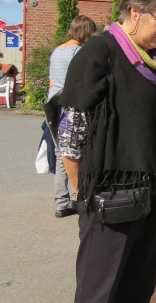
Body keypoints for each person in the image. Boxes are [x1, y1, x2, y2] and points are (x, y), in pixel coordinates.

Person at [60, 0, 156, 303]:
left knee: (137, 289)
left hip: (152, 196)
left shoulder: (155, 56)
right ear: (135, 12)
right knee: (98, 293)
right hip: (111, 197)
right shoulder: (100, 51)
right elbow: (70, 128)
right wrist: (81, 192)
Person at [48, 15, 97, 218]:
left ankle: (61, 202)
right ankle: (80, 198)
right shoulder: (80, 52)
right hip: (72, 106)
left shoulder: (56, 51)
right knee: (78, 154)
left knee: (62, 155)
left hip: (53, 105)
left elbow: (51, 82)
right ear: (86, 32)